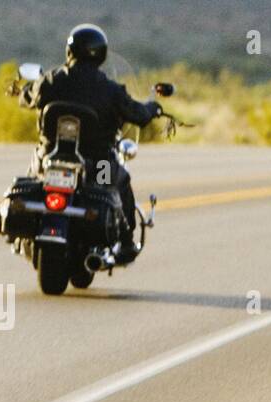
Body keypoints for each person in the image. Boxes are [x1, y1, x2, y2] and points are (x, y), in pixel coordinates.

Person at [19, 24, 161, 262]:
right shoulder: (111, 90)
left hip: (50, 157)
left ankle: (24, 235)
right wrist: (152, 108)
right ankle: (126, 242)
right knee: (118, 183)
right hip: (98, 164)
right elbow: (138, 115)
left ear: (69, 51)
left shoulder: (50, 80)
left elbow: (28, 97)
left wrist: (22, 90)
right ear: (101, 55)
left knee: (34, 176)